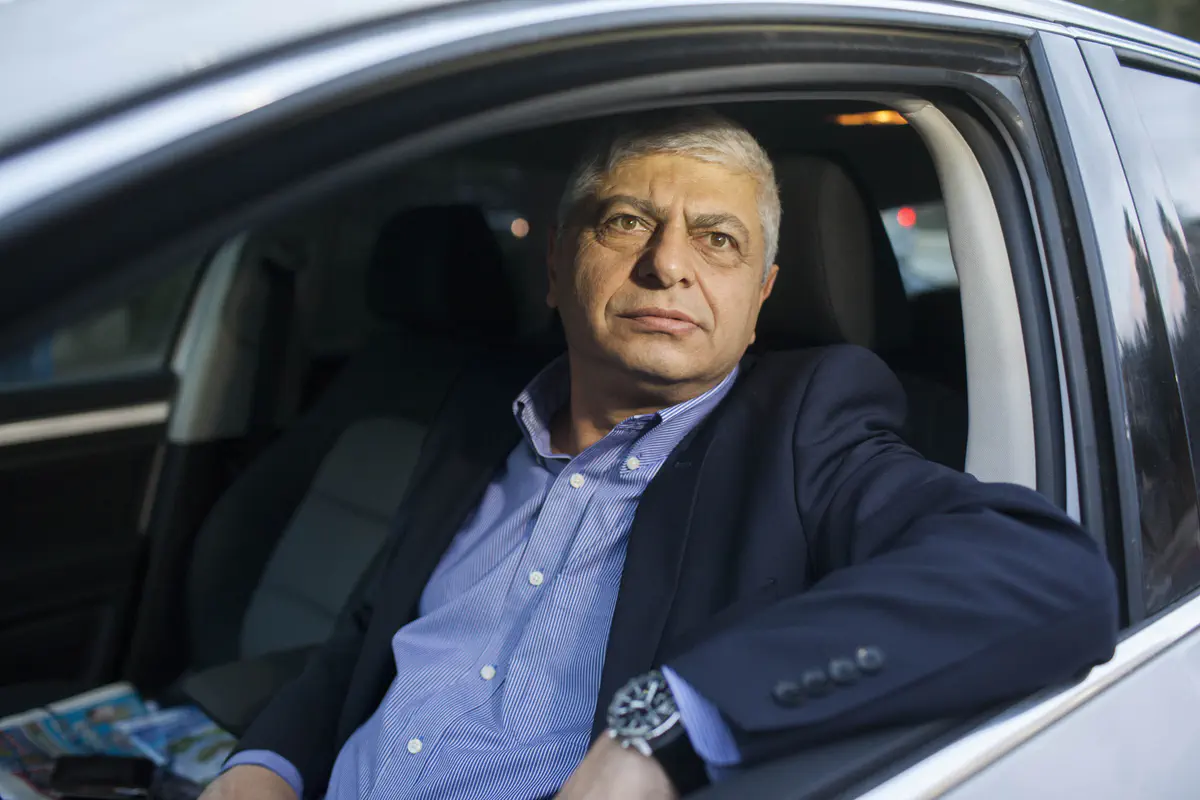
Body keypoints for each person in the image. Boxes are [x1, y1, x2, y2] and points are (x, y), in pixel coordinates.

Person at [204, 109, 1118, 800]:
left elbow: (1046, 575)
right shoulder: (479, 415)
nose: (668, 264)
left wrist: (665, 725)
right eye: (627, 222)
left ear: (760, 299)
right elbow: (371, 634)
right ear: (556, 268)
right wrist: (264, 765)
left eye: (718, 240)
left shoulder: (806, 429)